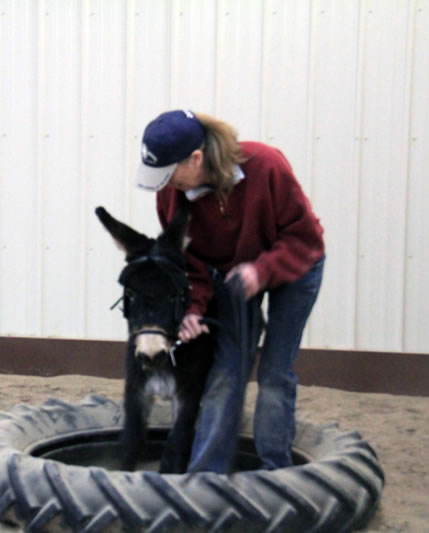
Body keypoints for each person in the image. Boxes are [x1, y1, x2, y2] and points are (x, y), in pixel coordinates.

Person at [134, 109, 325, 473]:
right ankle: (207, 474)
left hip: (295, 264)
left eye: (169, 173)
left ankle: (277, 472)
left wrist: (262, 270)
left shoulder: (266, 166)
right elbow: (192, 264)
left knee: (274, 373)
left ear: (196, 158)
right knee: (228, 371)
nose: (164, 184)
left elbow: (305, 238)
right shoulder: (171, 197)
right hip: (232, 274)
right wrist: (193, 309)